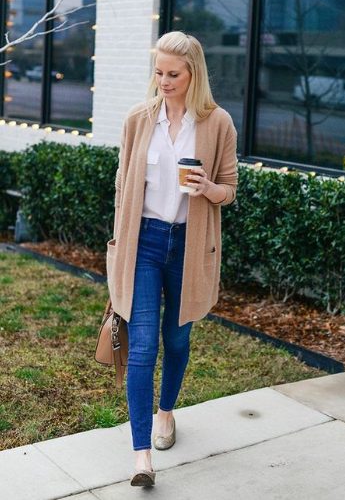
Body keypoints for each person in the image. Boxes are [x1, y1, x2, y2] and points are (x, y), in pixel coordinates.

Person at [106, 30, 238, 487]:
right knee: (142, 346)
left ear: (193, 74)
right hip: (143, 243)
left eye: (173, 74)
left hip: (188, 244)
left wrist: (208, 189)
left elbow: (230, 189)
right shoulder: (138, 119)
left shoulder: (217, 122)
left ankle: (167, 413)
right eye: (158, 72)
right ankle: (141, 456)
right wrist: (119, 245)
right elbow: (124, 185)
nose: (163, 80)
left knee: (177, 340)